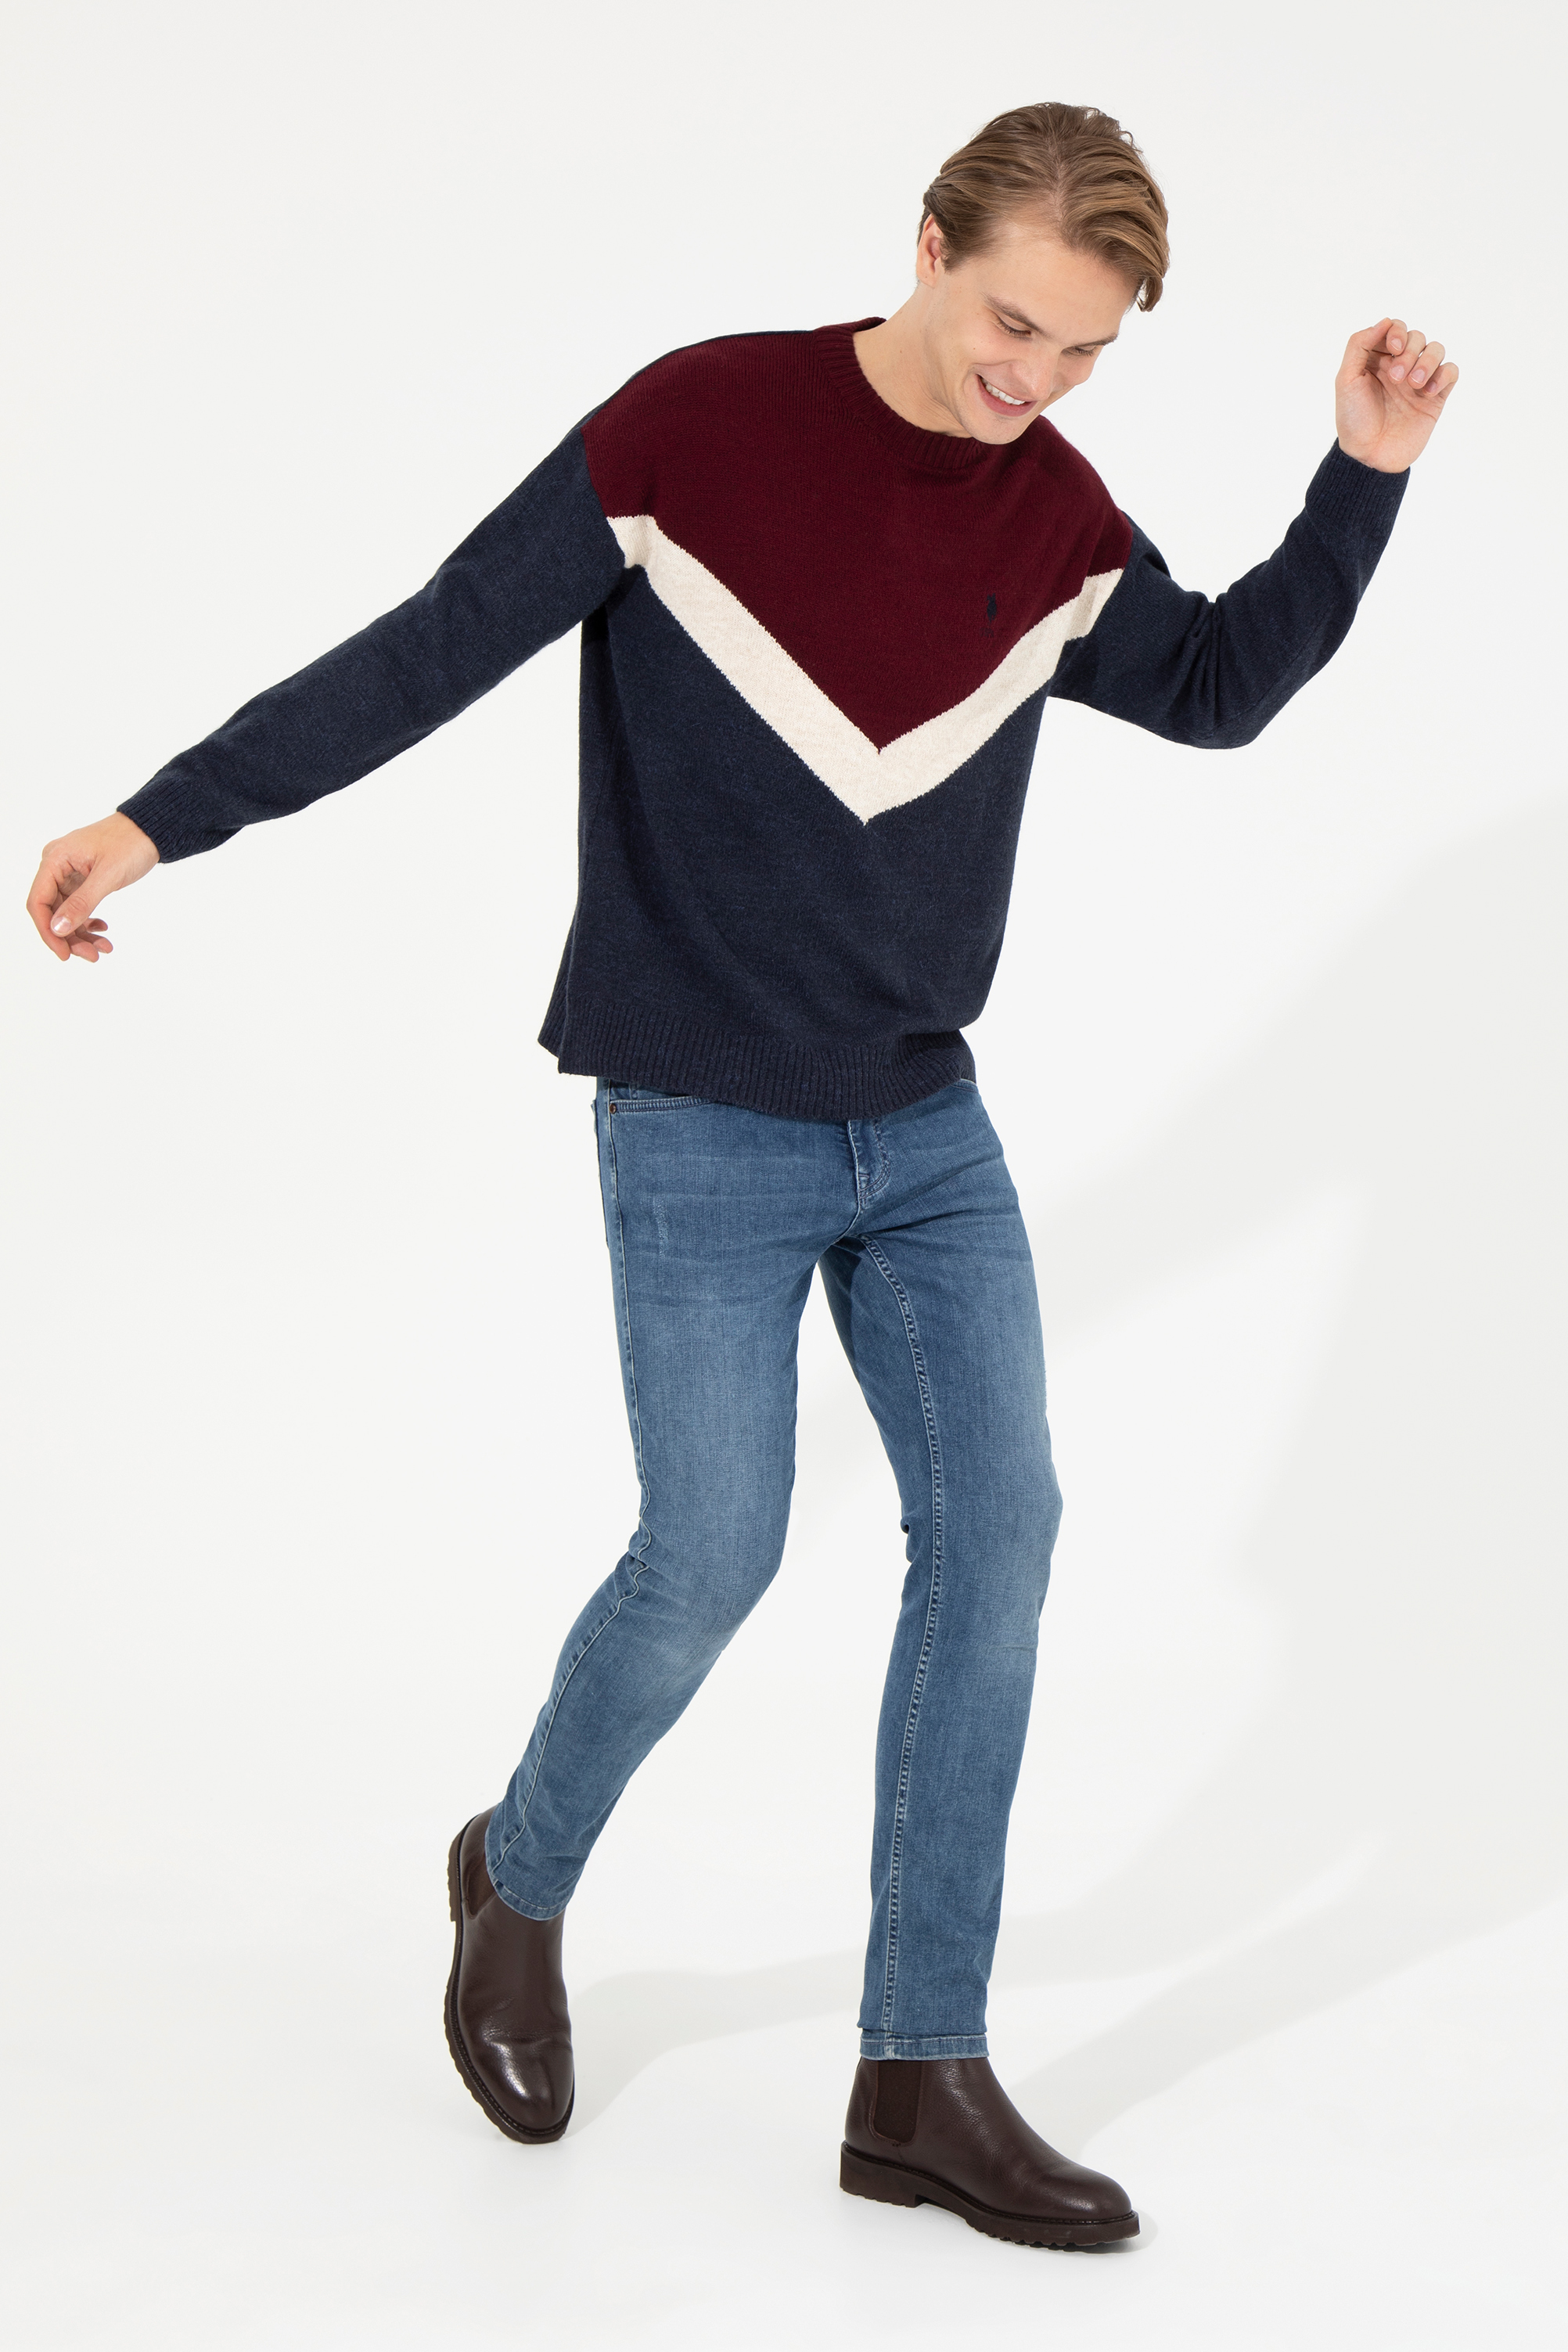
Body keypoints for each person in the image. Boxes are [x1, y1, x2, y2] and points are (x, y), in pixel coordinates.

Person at [25, 102, 1456, 2250]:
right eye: (1014, 323)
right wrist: (163, 817)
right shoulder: (695, 430)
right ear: (927, 245)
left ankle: (918, 2073)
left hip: (926, 1126)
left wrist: (1361, 475)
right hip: (698, 1111)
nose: (1037, 380)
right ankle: (515, 1873)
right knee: (711, 1553)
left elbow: (1218, 689)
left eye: (1084, 353)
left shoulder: (1056, 511)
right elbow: (428, 646)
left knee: (999, 1544)